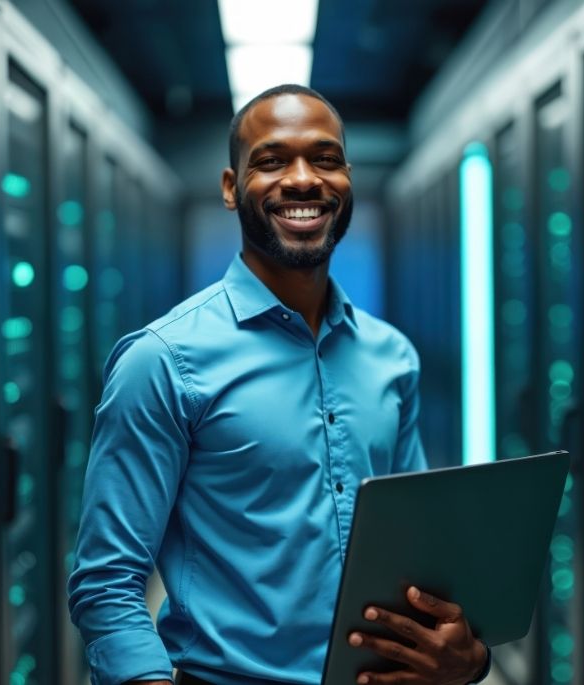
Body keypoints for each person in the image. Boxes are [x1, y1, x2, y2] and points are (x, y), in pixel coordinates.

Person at [67, 84, 490, 685]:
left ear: (347, 180)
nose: (303, 180)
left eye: (325, 159)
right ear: (230, 187)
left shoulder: (392, 357)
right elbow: (106, 582)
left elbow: (416, 556)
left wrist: (468, 658)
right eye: (271, 161)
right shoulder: (162, 360)